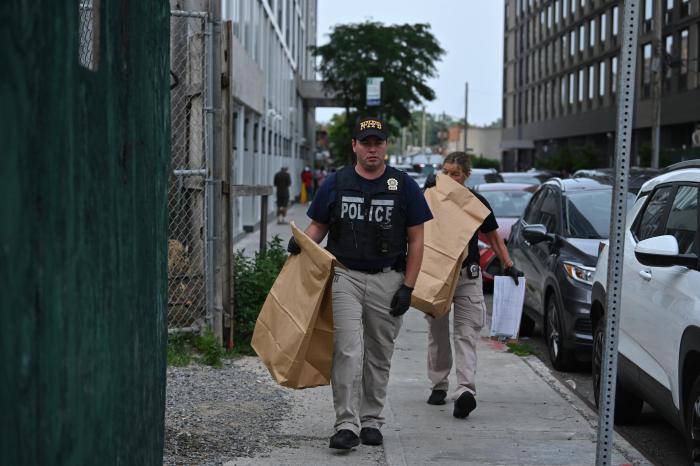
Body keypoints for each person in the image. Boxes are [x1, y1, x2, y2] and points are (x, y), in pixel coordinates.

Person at [287, 117, 433, 450]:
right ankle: (346, 424)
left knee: (379, 353)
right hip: (346, 277)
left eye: (378, 142)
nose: (372, 149)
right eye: (365, 142)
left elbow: (417, 239)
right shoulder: (337, 182)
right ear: (354, 145)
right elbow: (319, 226)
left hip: (389, 279)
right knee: (347, 351)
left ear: (386, 146)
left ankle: (371, 420)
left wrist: (408, 287)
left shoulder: (402, 185)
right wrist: (303, 243)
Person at [422, 152, 522, 418]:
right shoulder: (431, 198)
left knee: (466, 334)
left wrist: (508, 264)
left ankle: (465, 390)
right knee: (438, 332)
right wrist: (424, 189)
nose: (449, 177)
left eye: (455, 173)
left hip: (468, 276)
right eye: (445, 172)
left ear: (466, 175)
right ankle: (439, 384)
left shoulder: (475, 202)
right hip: (438, 276)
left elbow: (494, 237)